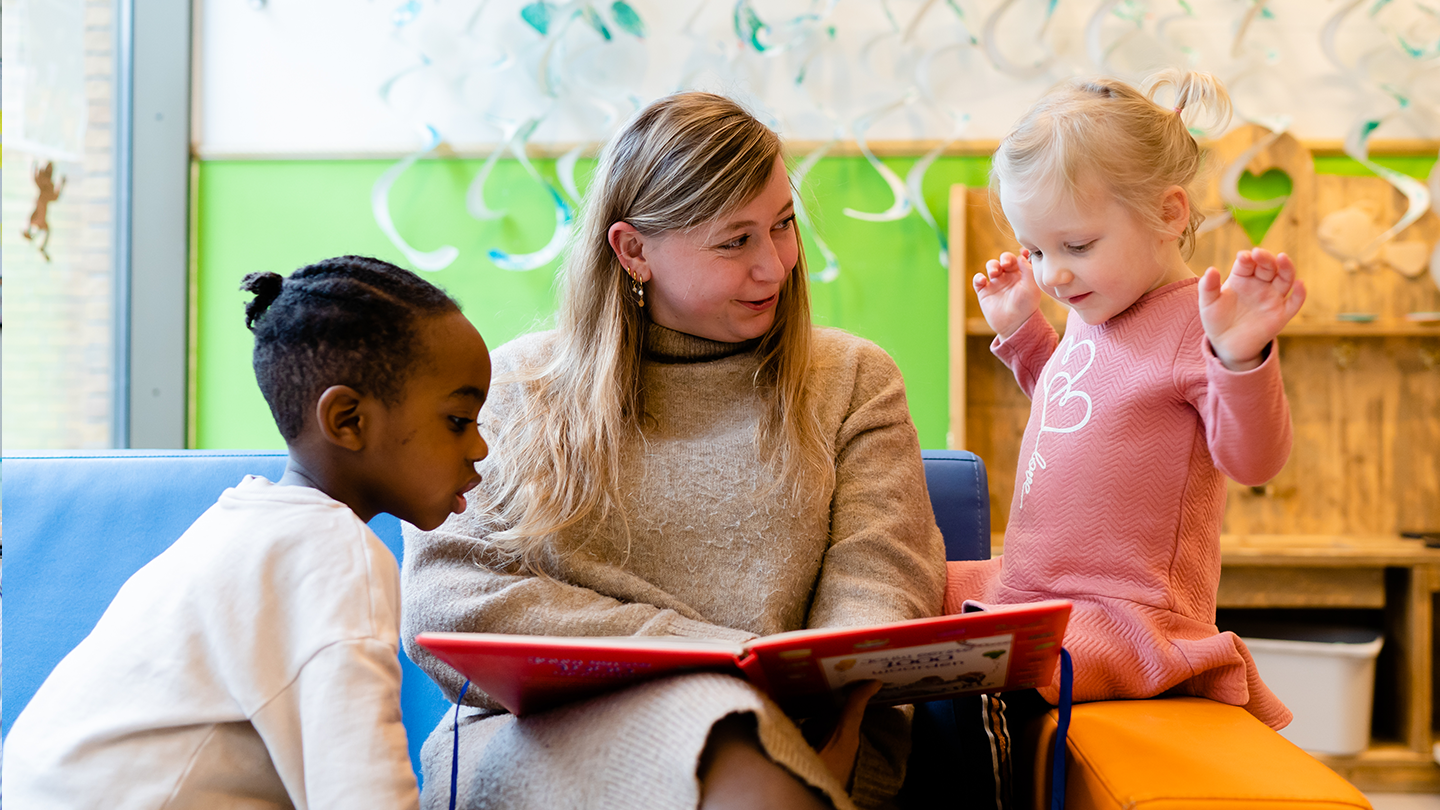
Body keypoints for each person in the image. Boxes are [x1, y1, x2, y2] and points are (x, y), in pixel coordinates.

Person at [401, 91, 946, 810]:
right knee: (725, 738)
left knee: (739, 749)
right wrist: (720, 660)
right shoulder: (513, 387)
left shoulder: (853, 381)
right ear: (633, 251)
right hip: (537, 745)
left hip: (789, 746)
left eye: (782, 225)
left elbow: (879, 596)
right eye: (734, 240)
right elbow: (452, 605)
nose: (775, 267)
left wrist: (802, 723)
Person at [3, 256, 492, 809]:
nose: (479, 448)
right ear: (348, 420)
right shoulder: (332, 551)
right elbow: (363, 795)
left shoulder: (242, 523)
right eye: (458, 420)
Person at [944, 70, 1305, 806]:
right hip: (1031, 583)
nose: (1054, 272)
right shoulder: (1098, 301)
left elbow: (1254, 457)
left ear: (1170, 213)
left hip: (1122, 615)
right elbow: (1076, 400)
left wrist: (1240, 359)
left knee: (975, 662)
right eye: (1036, 250)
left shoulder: (1194, 323)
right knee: (901, 590)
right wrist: (1022, 332)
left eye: (1074, 243)